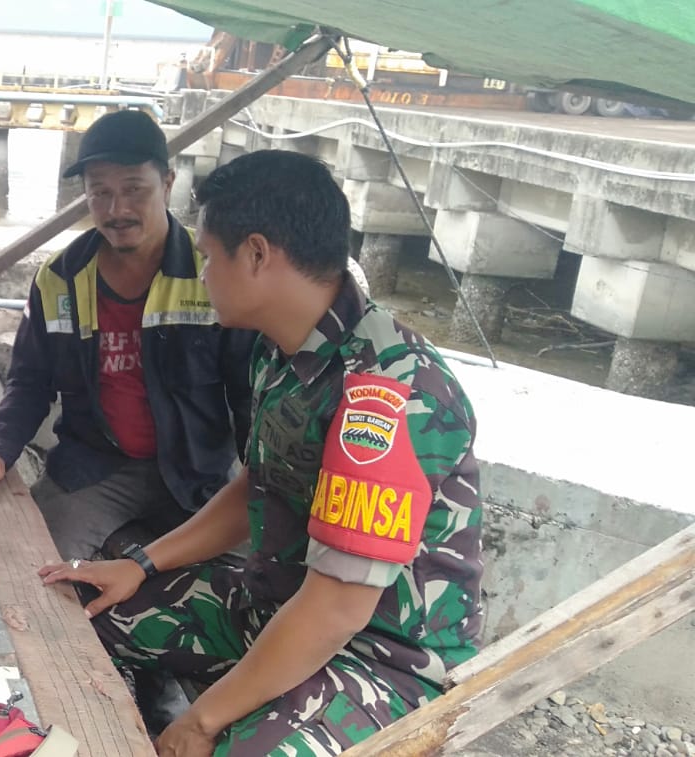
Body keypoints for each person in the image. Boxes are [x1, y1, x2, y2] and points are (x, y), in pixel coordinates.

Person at [39, 150, 484, 756]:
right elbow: (257, 486)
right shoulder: (282, 351)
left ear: (255, 254)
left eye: (207, 257)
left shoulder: (386, 395)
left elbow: (336, 610)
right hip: (274, 604)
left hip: (379, 657)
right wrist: (141, 564)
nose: (201, 276)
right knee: (90, 613)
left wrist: (202, 721)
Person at [0, 109, 255, 564]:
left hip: (198, 476)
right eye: (100, 193)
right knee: (30, 566)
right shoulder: (59, 278)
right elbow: (30, 380)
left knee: (254, 576)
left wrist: (263, 485)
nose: (118, 210)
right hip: (93, 470)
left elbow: (250, 395)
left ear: (167, 183)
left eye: (134, 190)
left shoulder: (211, 271)